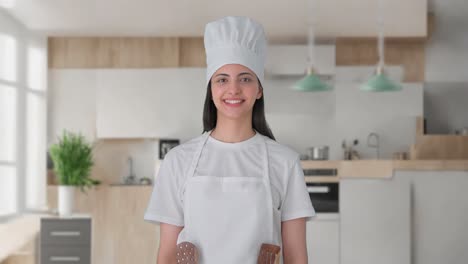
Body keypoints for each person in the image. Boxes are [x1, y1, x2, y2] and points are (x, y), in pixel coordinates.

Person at [144, 16, 315, 264]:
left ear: (259, 89)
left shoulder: (285, 162)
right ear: (211, 89)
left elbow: (297, 257)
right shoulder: (178, 161)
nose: (233, 89)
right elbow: (167, 254)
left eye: (245, 78)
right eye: (222, 79)